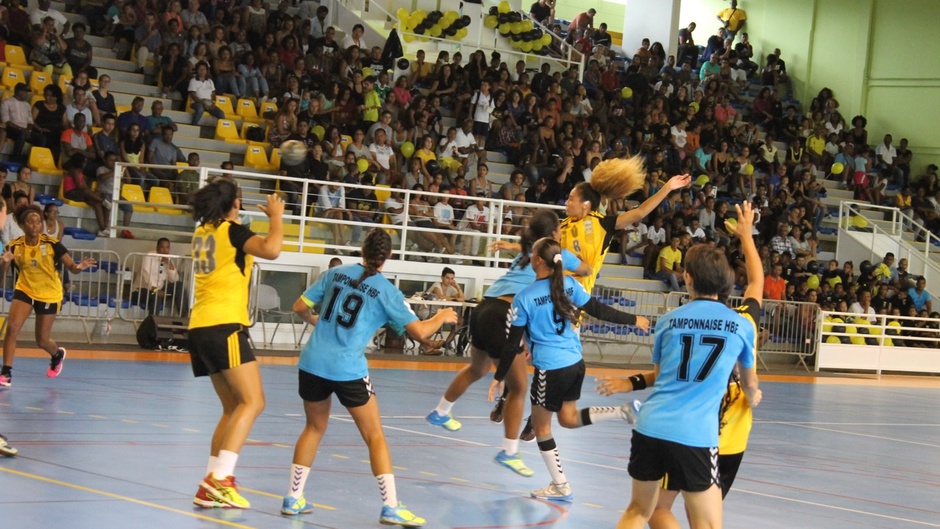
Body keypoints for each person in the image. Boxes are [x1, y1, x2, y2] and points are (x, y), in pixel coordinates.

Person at [597, 202, 764, 525]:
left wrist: (631, 383)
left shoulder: (668, 321)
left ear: (687, 278)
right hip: (696, 434)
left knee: (639, 510)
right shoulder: (741, 324)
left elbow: (662, 378)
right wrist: (746, 236)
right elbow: (750, 381)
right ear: (728, 282)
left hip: (651, 425)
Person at [281, 228, 456, 526]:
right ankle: (391, 506)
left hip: (312, 362)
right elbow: (420, 331)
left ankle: (293, 498)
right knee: (375, 436)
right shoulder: (387, 291)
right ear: (388, 255)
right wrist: (442, 316)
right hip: (347, 369)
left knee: (313, 427)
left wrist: (317, 321)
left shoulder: (336, 273)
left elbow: (299, 306)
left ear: (362, 250)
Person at [426, 210, 595, 477]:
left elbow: (526, 248)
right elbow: (586, 269)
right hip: (503, 313)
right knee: (519, 387)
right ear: (554, 234)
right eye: (559, 232)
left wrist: (510, 245)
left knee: (478, 368)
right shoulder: (556, 254)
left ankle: (441, 411)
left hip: (483, 308)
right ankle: (509, 452)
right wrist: (575, 253)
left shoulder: (526, 252)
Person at [483, 237, 648, 501]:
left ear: (538, 261)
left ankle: (560, 485)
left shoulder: (524, 297)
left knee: (541, 426)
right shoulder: (570, 285)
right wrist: (634, 319)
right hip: (575, 363)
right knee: (567, 418)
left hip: (550, 368)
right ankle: (622, 411)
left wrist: (499, 377)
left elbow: (512, 343)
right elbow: (598, 309)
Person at [188, 178, 284, 509]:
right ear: (235, 204)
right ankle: (221, 480)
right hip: (224, 325)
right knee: (253, 402)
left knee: (232, 408)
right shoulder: (232, 232)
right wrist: (276, 217)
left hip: (200, 326)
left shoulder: (202, 233)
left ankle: (209, 484)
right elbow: (272, 249)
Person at [559, 157, 692, 293]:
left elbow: (640, 212)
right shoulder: (562, 225)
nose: (566, 203)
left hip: (576, 296)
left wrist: (667, 187)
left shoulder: (602, 224)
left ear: (585, 204)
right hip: (554, 291)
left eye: (571, 199)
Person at [0, 204, 96, 388]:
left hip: (49, 293)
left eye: (38, 221)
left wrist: (80, 267)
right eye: (31, 222)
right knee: (12, 329)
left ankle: (56, 354)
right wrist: (4, 263)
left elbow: (72, 268)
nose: (35, 225)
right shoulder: (14, 246)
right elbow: (0, 278)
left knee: (42, 340)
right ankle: (6, 373)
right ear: (22, 225)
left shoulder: (52, 244)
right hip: (25, 290)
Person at [132, 238, 188, 316]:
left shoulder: (168, 260)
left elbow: (174, 280)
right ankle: (153, 322)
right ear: (157, 248)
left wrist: (170, 266)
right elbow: (146, 273)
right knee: (156, 296)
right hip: (141, 291)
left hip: (159, 291)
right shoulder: (149, 256)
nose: (165, 250)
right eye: (162, 247)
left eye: (167, 247)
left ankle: (184, 317)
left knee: (179, 285)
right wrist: (155, 290)